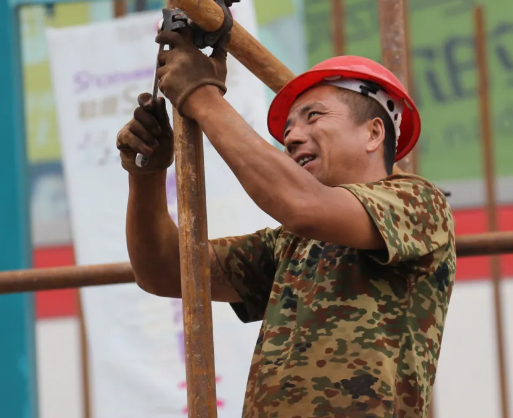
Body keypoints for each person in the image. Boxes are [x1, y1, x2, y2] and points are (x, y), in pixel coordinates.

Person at [116, 29, 456, 418]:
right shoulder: (292, 244)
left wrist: (201, 96)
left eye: (313, 116)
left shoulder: (417, 203)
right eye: (288, 129)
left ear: (373, 132)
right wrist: (145, 173)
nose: (292, 136)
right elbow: (164, 272)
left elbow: (303, 206)